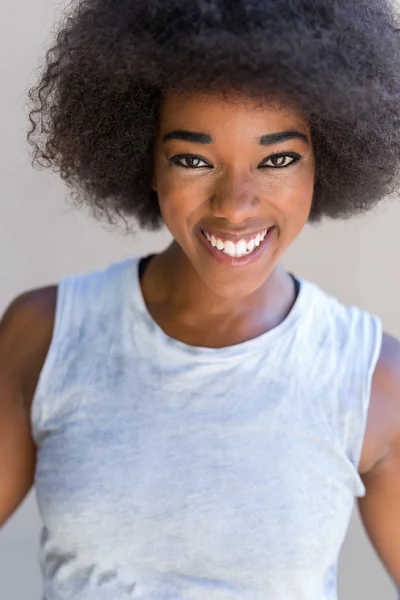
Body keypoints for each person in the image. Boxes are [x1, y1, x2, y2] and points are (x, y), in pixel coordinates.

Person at [1, 0, 400, 598]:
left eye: (278, 159)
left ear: (325, 162)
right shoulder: (46, 335)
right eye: (192, 158)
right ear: (148, 162)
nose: (235, 204)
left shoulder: (374, 380)